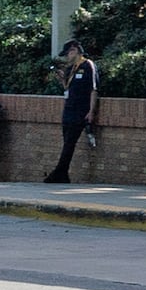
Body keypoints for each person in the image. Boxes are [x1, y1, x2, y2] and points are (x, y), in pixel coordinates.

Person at [42, 40, 99, 185]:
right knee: (67, 142)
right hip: (69, 109)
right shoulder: (72, 68)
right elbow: (68, 89)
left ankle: (59, 173)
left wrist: (91, 112)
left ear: (74, 51)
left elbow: (94, 89)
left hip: (81, 110)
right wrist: (62, 80)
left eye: (68, 53)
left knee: (69, 142)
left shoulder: (88, 65)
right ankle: (63, 174)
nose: (67, 57)